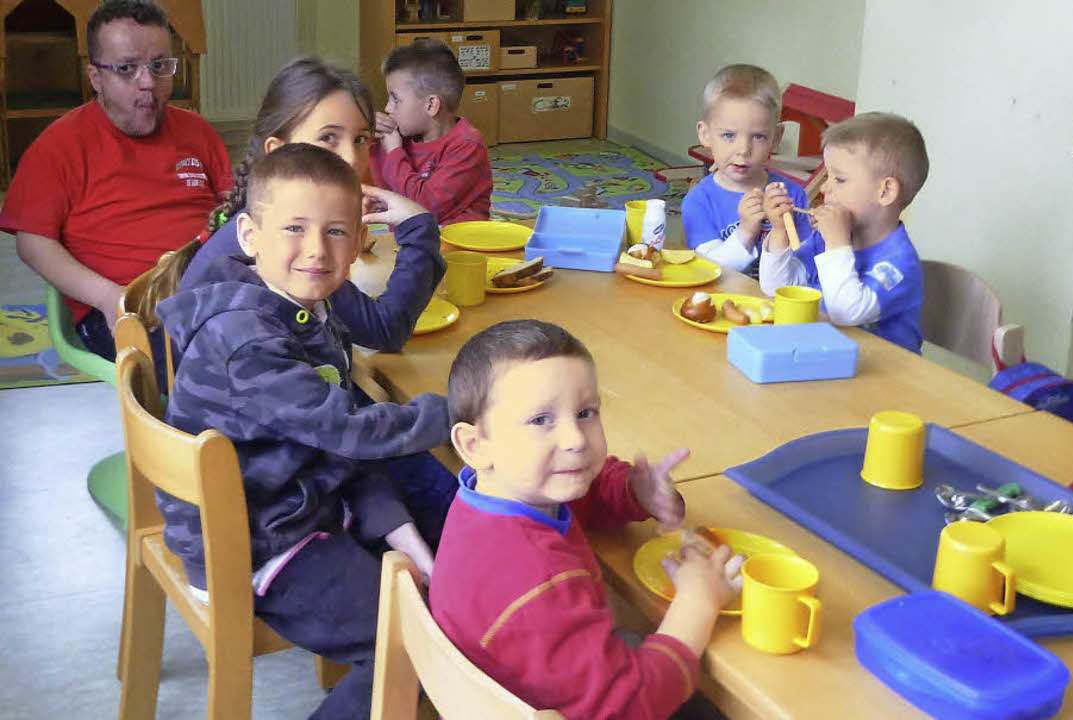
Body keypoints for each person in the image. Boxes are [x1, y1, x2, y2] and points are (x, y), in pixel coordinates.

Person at [156, 144, 451, 720]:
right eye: (294, 228)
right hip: (255, 542)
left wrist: (410, 544)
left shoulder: (303, 312)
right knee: (413, 644)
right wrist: (464, 408)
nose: (317, 250)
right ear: (249, 236)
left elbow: (341, 452)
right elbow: (350, 432)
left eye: (338, 231)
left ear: (360, 241)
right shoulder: (248, 342)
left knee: (443, 573)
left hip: (298, 502)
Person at [430, 319, 742, 719]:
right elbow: (630, 706)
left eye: (585, 412)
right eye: (541, 420)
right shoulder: (540, 585)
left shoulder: (493, 493)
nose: (576, 439)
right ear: (474, 445)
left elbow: (585, 493)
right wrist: (699, 601)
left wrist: (634, 491)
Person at [0, 0, 231, 360]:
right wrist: (110, 297)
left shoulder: (197, 131)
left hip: (217, 292)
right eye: (126, 68)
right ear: (96, 78)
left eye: (160, 66)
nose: (148, 83)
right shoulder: (58, 146)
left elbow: (232, 211)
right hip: (128, 308)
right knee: (218, 359)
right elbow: (33, 243)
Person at [180, 58, 440, 354]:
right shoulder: (281, 247)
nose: (352, 159)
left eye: (360, 139)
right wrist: (418, 227)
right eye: (328, 138)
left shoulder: (274, 223)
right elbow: (384, 329)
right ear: (277, 151)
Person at [760, 112, 929, 354]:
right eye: (828, 176)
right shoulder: (828, 238)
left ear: (885, 191)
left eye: (839, 179)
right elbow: (778, 287)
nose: (826, 188)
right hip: (831, 358)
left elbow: (845, 312)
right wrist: (779, 232)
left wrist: (837, 244)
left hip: (888, 376)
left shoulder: (898, 264)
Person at [681, 64, 813, 276]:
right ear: (705, 134)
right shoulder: (698, 201)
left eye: (758, 137)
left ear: (776, 138)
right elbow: (708, 271)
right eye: (729, 135)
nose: (743, 150)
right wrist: (746, 230)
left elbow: (807, 265)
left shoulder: (792, 195)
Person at [370, 38, 492, 225]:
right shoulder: (402, 136)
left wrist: (394, 152)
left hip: (460, 248)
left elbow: (423, 210)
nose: (387, 108)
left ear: (431, 105)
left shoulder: (467, 145)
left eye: (395, 100)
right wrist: (362, 127)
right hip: (415, 244)